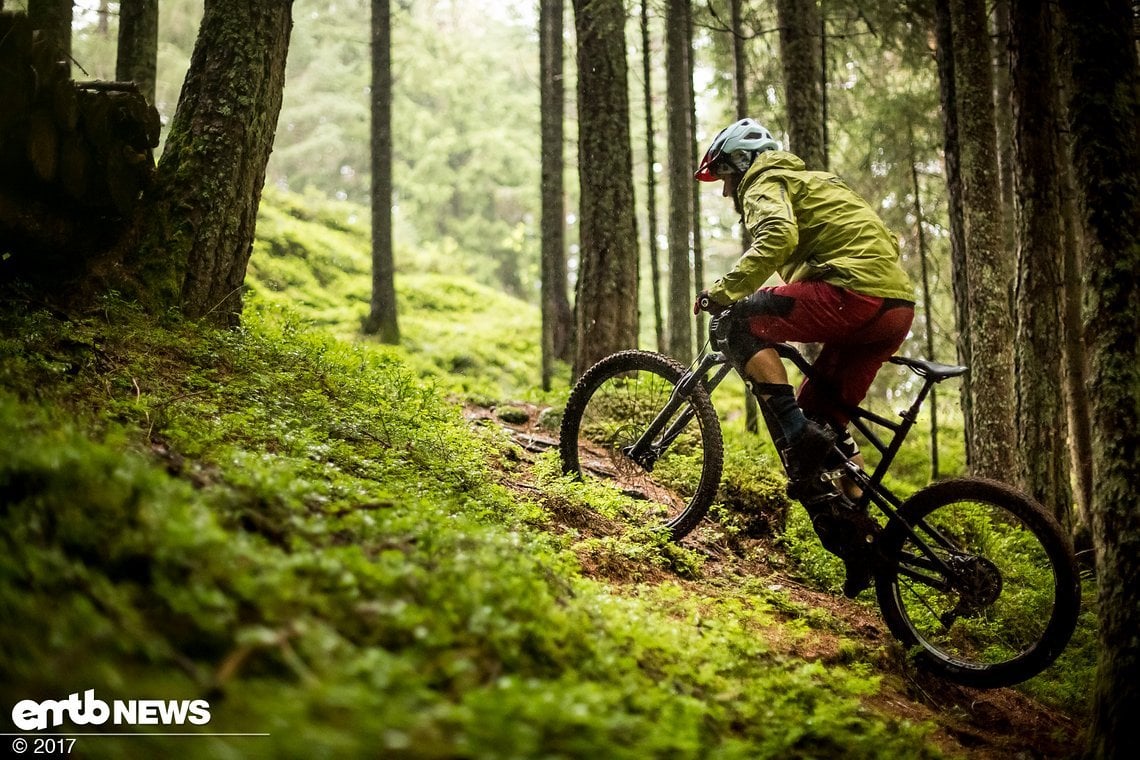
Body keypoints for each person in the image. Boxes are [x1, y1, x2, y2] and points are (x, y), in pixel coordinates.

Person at [693, 118, 915, 596]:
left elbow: (776, 236)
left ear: (739, 164)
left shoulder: (763, 180)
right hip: (895, 308)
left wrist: (724, 291)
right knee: (824, 424)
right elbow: (882, 240)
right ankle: (861, 542)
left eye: (727, 180)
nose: (730, 193)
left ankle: (793, 428)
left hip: (855, 295)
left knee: (739, 321)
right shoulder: (815, 182)